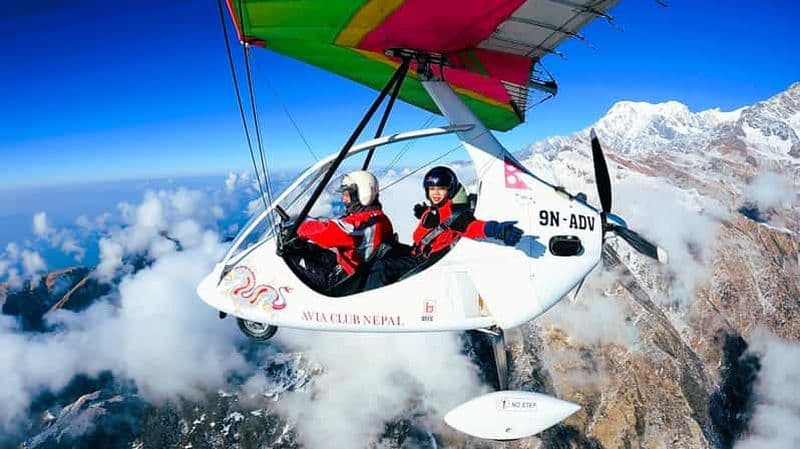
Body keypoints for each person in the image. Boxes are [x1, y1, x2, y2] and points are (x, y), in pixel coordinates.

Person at [363, 166, 522, 290]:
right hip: (416, 253)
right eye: (432, 189)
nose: (436, 193)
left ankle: (368, 303)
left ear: (450, 190)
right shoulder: (434, 210)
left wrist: (498, 230)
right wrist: (422, 212)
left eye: (441, 188)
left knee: (381, 267)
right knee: (384, 250)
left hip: (425, 262)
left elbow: (472, 226)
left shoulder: (454, 215)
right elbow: (435, 219)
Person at [283, 170, 394, 295]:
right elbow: (339, 226)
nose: (343, 199)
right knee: (307, 248)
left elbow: (329, 231)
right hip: (352, 267)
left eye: (346, 195)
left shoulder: (366, 222)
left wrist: (298, 228)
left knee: (290, 255)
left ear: (363, 194)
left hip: (347, 279)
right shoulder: (378, 217)